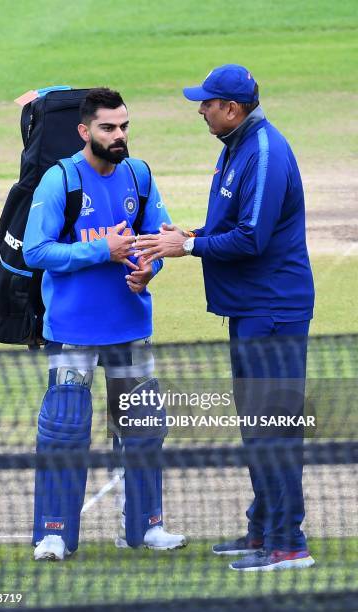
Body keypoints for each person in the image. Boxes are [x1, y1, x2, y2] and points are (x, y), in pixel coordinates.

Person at [134, 65, 315, 571]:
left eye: (208, 103)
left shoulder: (262, 151)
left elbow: (252, 238)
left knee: (273, 427)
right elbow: (231, 227)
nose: (201, 109)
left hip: (273, 309)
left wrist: (188, 245)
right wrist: (183, 235)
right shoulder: (236, 146)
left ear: (232, 109)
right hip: (250, 308)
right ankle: (264, 530)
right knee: (257, 426)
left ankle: (287, 544)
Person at [23, 87, 186, 561]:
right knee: (66, 429)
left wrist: (148, 268)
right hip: (74, 331)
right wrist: (103, 250)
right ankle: (53, 533)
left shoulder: (139, 175)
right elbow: (36, 251)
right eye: (108, 128)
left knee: (143, 428)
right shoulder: (60, 182)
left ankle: (145, 527)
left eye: (124, 126)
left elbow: (159, 237)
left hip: (130, 327)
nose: (119, 136)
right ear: (84, 131)